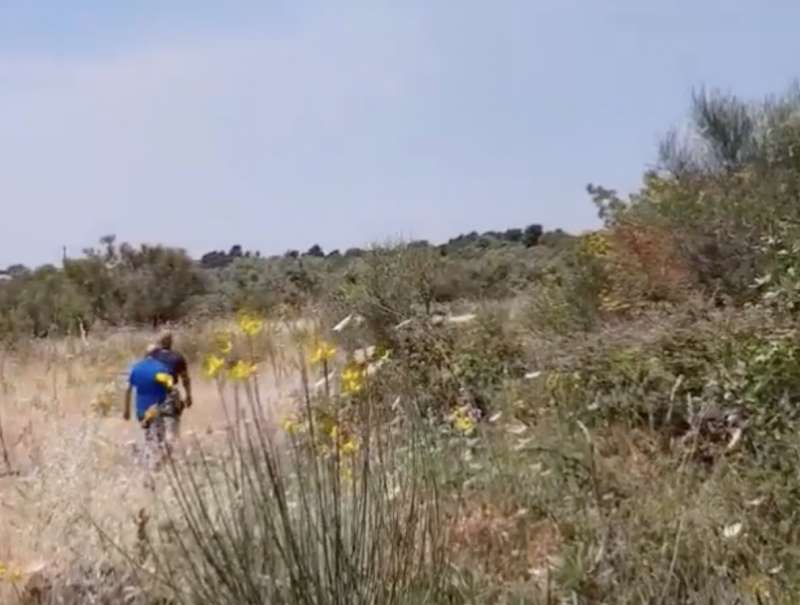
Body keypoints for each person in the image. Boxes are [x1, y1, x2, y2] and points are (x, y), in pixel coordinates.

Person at [123, 347, 175, 471]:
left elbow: (128, 389)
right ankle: (153, 463)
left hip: (141, 411)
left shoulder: (136, 368)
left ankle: (144, 458)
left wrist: (126, 410)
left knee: (148, 435)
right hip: (157, 409)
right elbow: (169, 384)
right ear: (157, 355)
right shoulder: (161, 368)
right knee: (159, 438)